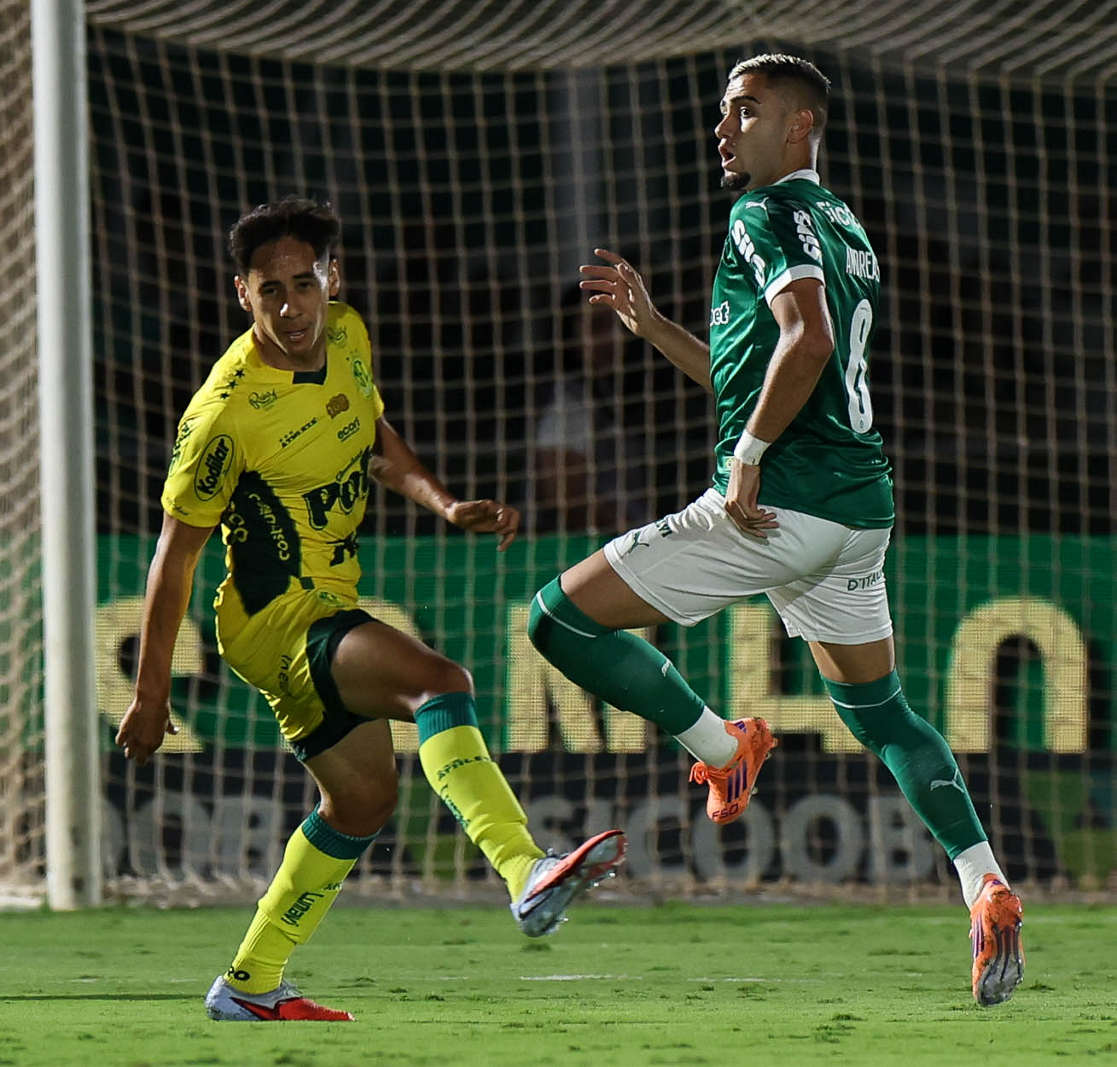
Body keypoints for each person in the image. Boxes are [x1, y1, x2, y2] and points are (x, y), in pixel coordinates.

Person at [526, 54, 1023, 1007]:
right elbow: (761, 372)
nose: (723, 128)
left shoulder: (762, 212)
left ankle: (724, 749)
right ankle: (983, 883)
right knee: (882, 716)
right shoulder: (843, 224)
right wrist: (658, 328)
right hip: (855, 511)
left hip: (777, 507)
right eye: (722, 113)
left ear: (799, 125)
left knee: (556, 619)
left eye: (744, 111)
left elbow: (808, 341)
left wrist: (748, 456)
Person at [115, 196, 625, 1022]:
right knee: (439, 681)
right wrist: (150, 691)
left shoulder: (348, 334)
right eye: (269, 290)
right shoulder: (224, 414)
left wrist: (443, 501)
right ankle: (523, 868)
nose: (290, 306)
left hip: (329, 599)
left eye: (303, 283)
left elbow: (375, 439)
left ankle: (248, 983)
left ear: (332, 278)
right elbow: (174, 558)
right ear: (241, 293)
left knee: (360, 804)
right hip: (275, 618)